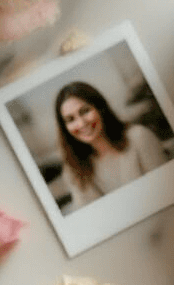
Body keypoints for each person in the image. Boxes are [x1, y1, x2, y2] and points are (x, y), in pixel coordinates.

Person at [55, 81, 167, 209]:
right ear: (64, 128)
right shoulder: (72, 170)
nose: (81, 123)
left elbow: (167, 193)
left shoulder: (139, 137)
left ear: (100, 108)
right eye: (70, 119)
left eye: (85, 111)